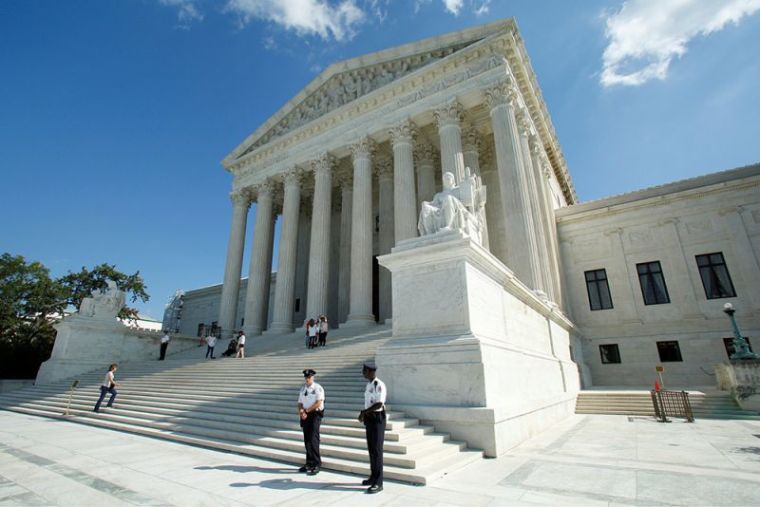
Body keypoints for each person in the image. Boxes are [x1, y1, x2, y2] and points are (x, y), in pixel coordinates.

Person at [358, 362, 386, 494]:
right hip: (370, 418)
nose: (363, 373)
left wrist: (364, 412)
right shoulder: (369, 384)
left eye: (364, 371)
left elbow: (379, 404)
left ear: (370, 371)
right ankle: (373, 476)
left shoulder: (378, 384)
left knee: (377, 450)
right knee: (371, 449)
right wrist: (364, 414)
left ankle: (379, 482)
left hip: (377, 418)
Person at [297, 369, 325, 475]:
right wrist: (301, 410)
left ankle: (317, 463)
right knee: (307, 439)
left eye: (309, 377)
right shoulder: (303, 389)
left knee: (313, 439)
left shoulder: (318, 388)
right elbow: (300, 402)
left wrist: (307, 411)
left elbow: (318, 403)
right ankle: (309, 462)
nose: (307, 379)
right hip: (305, 415)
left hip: (314, 415)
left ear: (313, 377)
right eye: (306, 377)